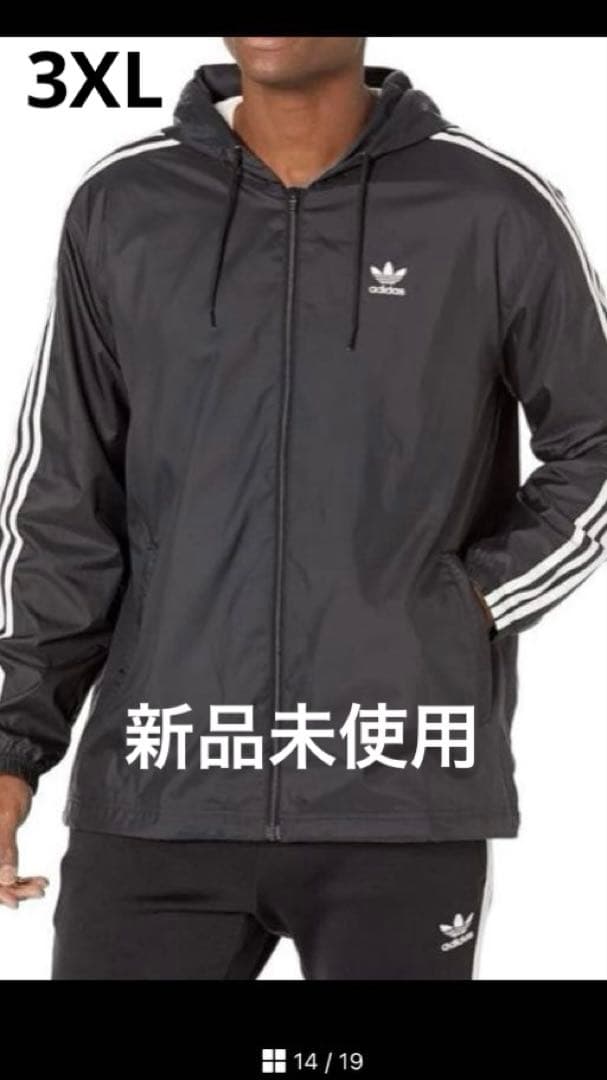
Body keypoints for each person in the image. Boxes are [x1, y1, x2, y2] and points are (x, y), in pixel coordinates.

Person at [0, 36, 605, 980]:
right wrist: (12, 742)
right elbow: (65, 494)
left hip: (396, 789)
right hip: (162, 787)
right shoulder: (125, 204)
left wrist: (466, 604)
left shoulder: (489, 207)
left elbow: (594, 443)